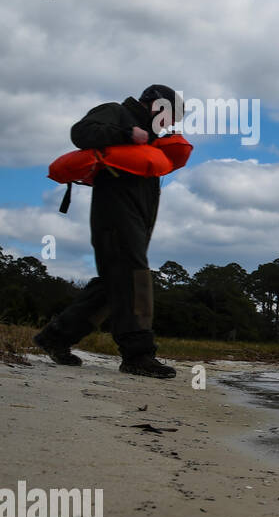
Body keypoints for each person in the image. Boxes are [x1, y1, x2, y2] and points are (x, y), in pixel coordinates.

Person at [33, 85, 180, 378]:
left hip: (137, 218)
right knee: (134, 276)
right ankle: (137, 355)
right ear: (157, 105)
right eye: (170, 116)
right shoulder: (117, 112)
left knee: (113, 283)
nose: (170, 124)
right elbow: (81, 132)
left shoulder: (151, 137)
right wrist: (127, 134)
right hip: (114, 213)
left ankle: (55, 337)